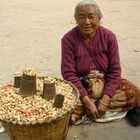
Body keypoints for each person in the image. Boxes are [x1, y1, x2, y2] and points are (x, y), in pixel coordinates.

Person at [61, 0, 140, 124]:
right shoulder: (68, 39)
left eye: (91, 17)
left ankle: (82, 111)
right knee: (61, 99)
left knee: (134, 92)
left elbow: (115, 71)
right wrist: (86, 100)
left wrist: (106, 98)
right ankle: (89, 106)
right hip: (82, 84)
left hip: (105, 80)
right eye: (81, 17)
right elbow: (68, 74)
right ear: (75, 19)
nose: (86, 22)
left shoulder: (109, 37)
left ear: (99, 18)